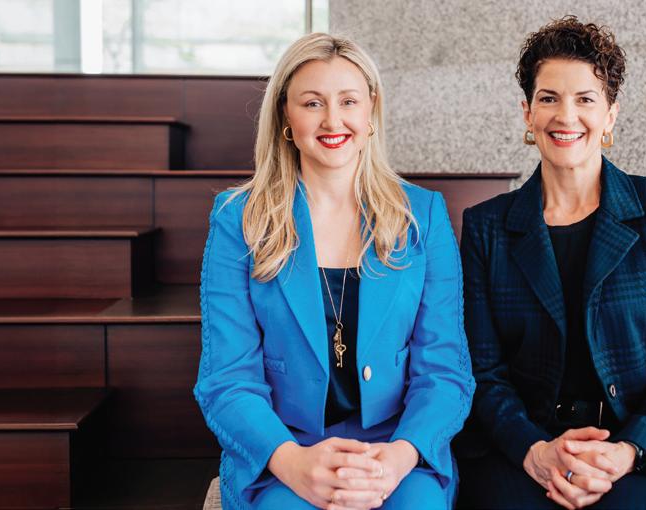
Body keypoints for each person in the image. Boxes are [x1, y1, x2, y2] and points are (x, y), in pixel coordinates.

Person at [194, 33, 474, 509]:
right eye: (312, 103)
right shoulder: (238, 220)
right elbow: (227, 378)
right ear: (286, 115)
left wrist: (398, 458)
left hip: (397, 449)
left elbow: (445, 372)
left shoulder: (422, 217)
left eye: (348, 101)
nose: (332, 120)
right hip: (284, 451)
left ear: (371, 111)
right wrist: (292, 463)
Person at [455, 15, 646, 509]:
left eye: (585, 99)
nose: (566, 116)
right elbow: (481, 369)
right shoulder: (486, 227)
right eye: (548, 98)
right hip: (523, 446)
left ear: (610, 115)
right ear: (527, 113)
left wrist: (628, 452)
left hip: (640, 448)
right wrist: (534, 451)